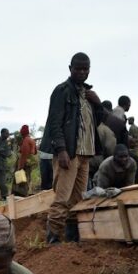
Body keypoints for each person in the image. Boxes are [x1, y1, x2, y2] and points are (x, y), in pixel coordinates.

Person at [44, 52, 104, 244]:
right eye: (78, 68)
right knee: (63, 197)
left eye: (85, 69)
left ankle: (72, 239)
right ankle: (53, 237)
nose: (82, 72)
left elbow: (97, 122)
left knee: (77, 199)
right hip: (69, 153)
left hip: (85, 154)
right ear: (70, 69)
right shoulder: (62, 91)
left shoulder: (88, 94)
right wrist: (61, 150)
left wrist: (98, 104)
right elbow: (54, 123)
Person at [15, 124, 37, 197]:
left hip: (26, 163)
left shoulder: (26, 140)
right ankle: (26, 193)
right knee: (28, 177)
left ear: (22, 133)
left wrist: (20, 167)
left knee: (23, 179)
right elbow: (35, 152)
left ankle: (23, 195)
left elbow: (24, 155)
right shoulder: (32, 140)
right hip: (30, 162)